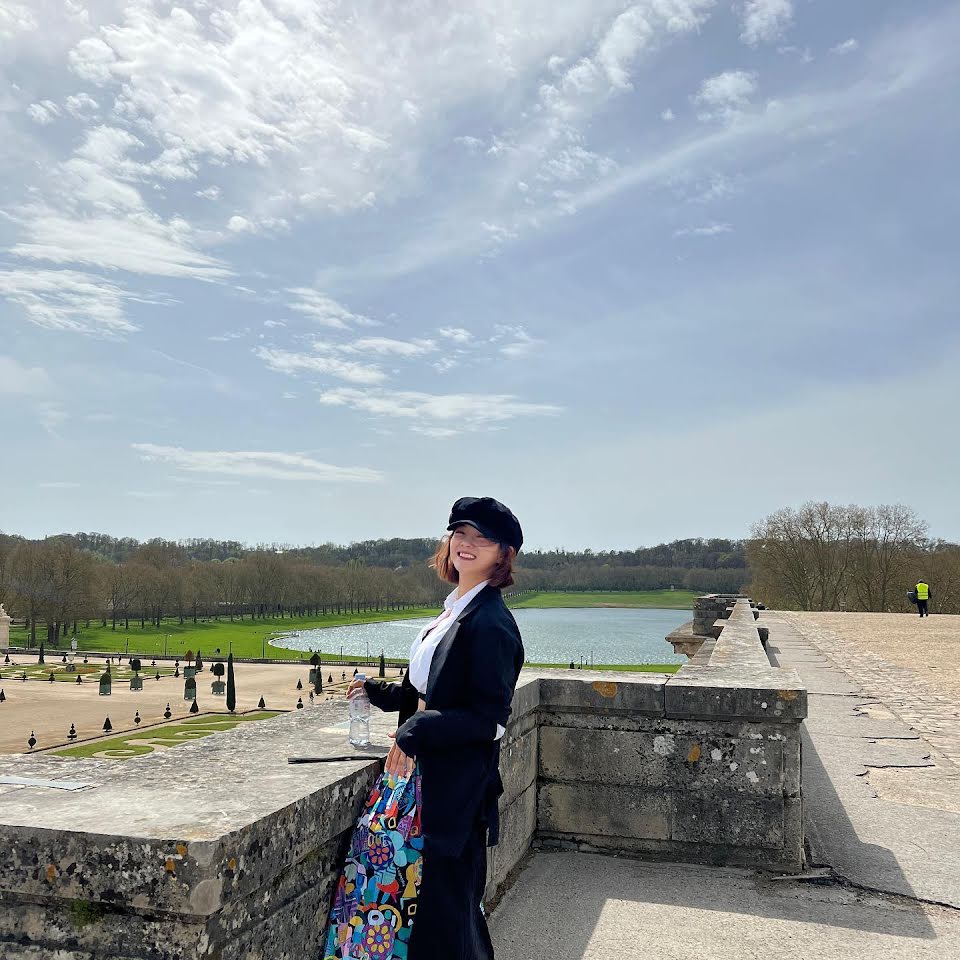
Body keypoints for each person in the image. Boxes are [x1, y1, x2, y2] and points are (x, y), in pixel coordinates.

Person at [323, 496, 525, 960]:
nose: (467, 543)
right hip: (424, 782)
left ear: (503, 553)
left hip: (454, 790)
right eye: (460, 533)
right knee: (419, 907)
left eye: (482, 538)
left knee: (446, 914)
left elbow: (488, 720)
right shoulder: (455, 610)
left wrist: (415, 732)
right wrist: (380, 693)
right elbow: (430, 691)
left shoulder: (491, 623)